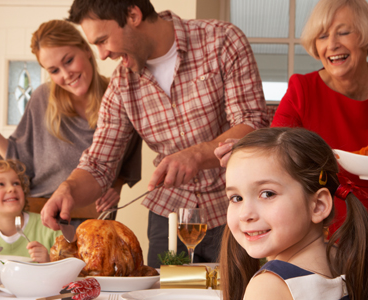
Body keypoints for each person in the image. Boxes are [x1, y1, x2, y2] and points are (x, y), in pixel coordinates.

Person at [41, 0, 268, 268]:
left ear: (133, 14)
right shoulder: (121, 84)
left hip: (233, 207)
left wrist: (196, 155)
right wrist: (68, 190)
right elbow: (99, 164)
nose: (101, 55)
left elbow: (252, 124)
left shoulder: (221, 41)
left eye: (103, 40)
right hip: (168, 215)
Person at [217, 0, 368, 232]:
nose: (332, 44)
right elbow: (275, 147)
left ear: (365, 38)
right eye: (322, 36)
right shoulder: (302, 89)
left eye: (343, 33)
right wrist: (244, 148)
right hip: (327, 217)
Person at [0, 20, 142, 223]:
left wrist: (116, 186)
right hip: (41, 218)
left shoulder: (118, 95)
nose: (66, 74)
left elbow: (128, 156)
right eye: (54, 70)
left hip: (95, 217)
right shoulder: (43, 99)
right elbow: (19, 161)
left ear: (86, 49)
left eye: (68, 60)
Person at [219, 127, 368, 300]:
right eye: (236, 198)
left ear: (318, 205)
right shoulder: (345, 262)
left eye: (267, 194)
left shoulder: (270, 286)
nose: (245, 214)